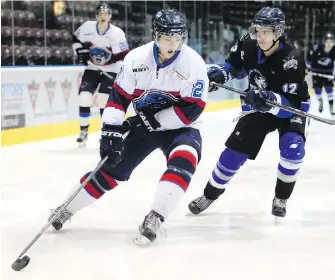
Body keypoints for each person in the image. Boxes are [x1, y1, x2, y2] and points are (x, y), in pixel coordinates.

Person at [49, 9, 208, 244]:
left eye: (177, 38)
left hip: (181, 126)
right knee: (111, 167)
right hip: (144, 126)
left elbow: (192, 109)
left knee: (185, 159)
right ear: (155, 35)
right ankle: (67, 208)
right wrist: (110, 131)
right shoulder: (136, 59)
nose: (172, 44)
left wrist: (148, 121)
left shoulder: (193, 63)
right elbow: (118, 98)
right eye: (167, 38)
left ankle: (156, 216)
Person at [188, 7, 310, 218]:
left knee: (293, 148)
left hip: (291, 107)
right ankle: (209, 195)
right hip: (258, 101)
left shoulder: (292, 58)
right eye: (257, 30)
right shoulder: (247, 44)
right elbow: (235, 66)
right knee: (235, 150)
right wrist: (222, 73)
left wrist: (271, 101)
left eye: (266, 31)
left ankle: (281, 197)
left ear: (278, 32)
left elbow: (290, 102)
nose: (260, 36)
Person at [73, 2, 129, 146]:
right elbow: (76, 39)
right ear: (96, 15)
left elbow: (123, 54)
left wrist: (105, 61)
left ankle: (105, 132)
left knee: (104, 100)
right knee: (84, 97)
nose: (103, 16)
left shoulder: (117, 33)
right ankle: (83, 131)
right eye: (100, 13)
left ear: (110, 16)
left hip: (111, 69)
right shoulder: (87, 27)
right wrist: (80, 52)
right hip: (92, 68)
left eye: (106, 13)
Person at [306, 33, 335, 115]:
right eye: (327, 42)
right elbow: (309, 58)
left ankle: (331, 106)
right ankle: (320, 101)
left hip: (328, 72)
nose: (329, 44)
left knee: (329, 89)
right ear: (324, 42)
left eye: (331, 42)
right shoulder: (316, 49)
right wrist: (308, 68)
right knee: (317, 90)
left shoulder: (334, 50)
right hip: (316, 71)